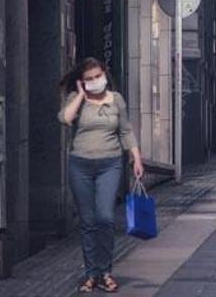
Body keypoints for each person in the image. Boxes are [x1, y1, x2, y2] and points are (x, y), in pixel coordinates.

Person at [58, 57, 144, 293]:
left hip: (110, 164)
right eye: (89, 79)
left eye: (98, 76)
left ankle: (105, 272)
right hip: (81, 166)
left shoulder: (116, 100)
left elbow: (125, 130)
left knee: (105, 218)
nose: (95, 81)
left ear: (104, 74)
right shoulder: (77, 100)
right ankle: (91, 274)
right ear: (82, 82)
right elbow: (65, 119)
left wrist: (136, 157)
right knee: (87, 222)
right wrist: (79, 96)